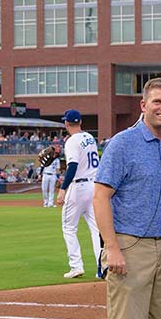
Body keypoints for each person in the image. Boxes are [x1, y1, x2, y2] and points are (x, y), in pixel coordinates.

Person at [93, 77, 161, 319]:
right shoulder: (122, 143)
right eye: (158, 101)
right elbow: (101, 197)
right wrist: (112, 248)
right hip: (129, 245)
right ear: (144, 105)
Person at [55, 109, 102, 279]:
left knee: (69, 228)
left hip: (78, 187)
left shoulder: (71, 141)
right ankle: (102, 267)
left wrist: (62, 189)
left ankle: (76, 266)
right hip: (93, 186)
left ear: (67, 124)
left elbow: (73, 166)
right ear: (80, 122)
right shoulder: (90, 137)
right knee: (96, 229)